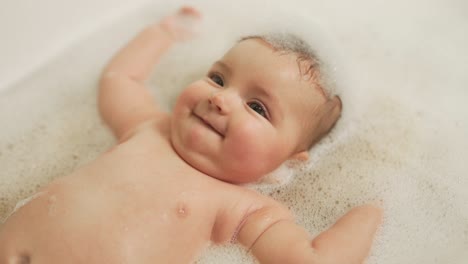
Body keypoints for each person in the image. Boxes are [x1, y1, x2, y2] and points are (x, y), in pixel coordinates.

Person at [0, 6, 382, 264]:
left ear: (288, 159)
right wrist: (164, 32)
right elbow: (121, 79)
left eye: (257, 107)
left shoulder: (244, 209)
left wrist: (372, 210)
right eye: (218, 78)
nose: (220, 99)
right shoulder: (149, 127)